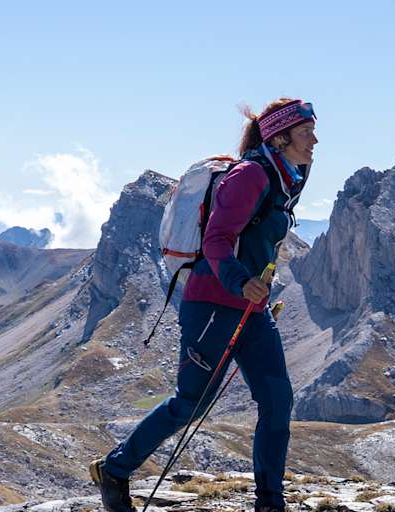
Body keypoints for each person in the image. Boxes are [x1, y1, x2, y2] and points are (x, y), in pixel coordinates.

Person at [92, 98, 317, 511]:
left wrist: (254, 286)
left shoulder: (286, 179)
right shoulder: (251, 176)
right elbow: (215, 240)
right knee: (190, 403)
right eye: (306, 133)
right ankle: (115, 470)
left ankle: (270, 502)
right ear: (280, 137)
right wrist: (240, 280)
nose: (315, 141)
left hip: (252, 309)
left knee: (278, 401)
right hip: (214, 304)